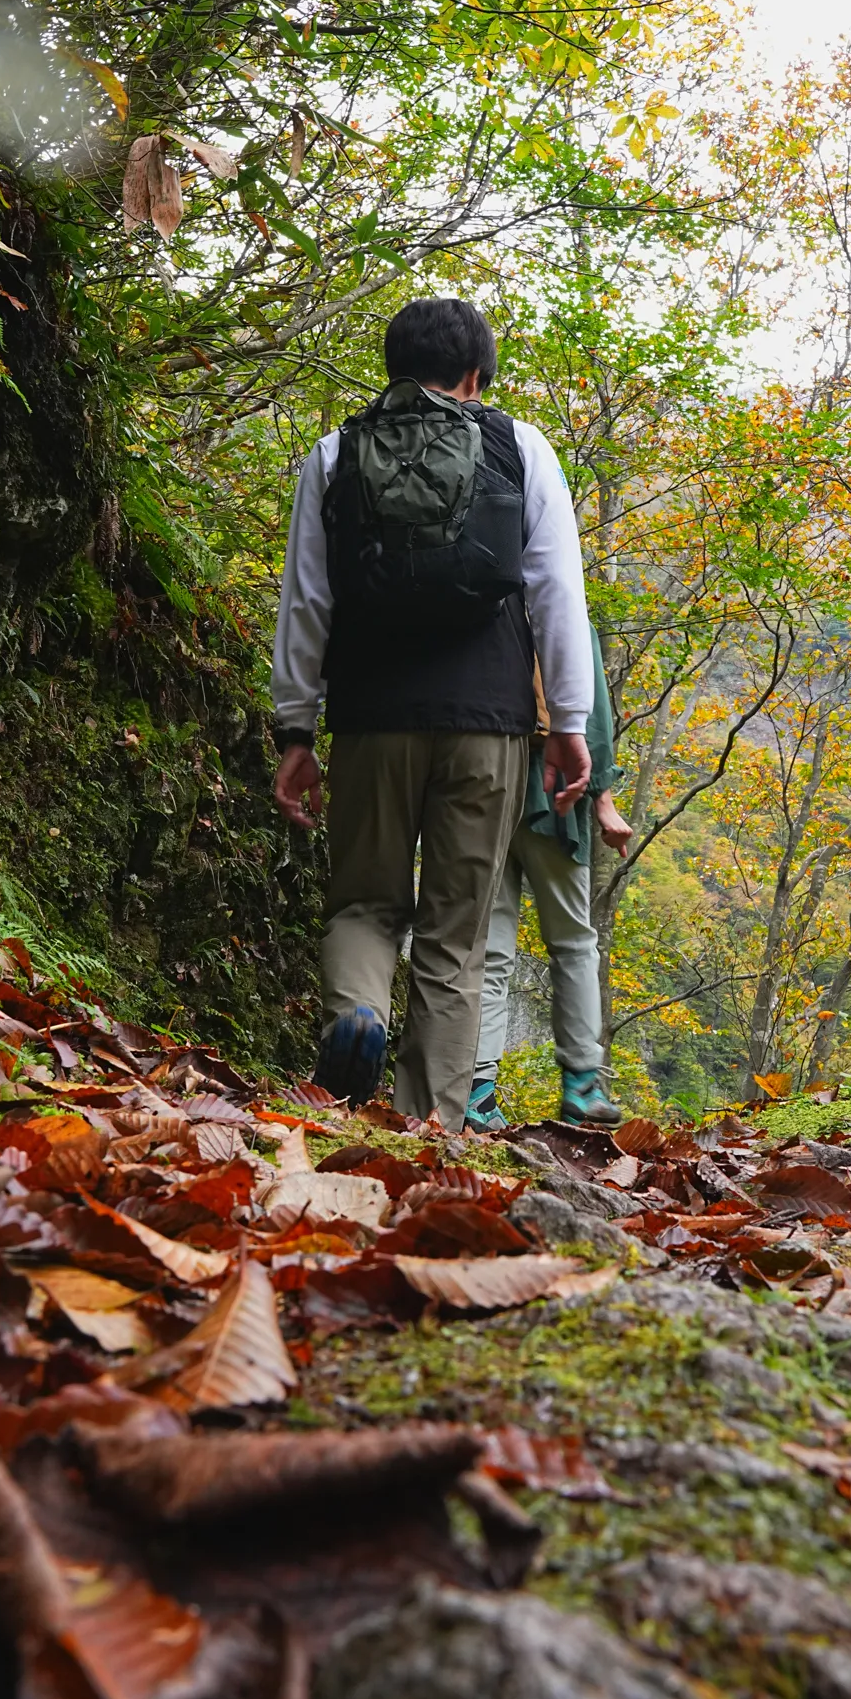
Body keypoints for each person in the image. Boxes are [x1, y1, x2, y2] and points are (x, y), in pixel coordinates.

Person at [271, 298, 594, 1133]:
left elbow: (307, 601)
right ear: (477, 377)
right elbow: (558, 592)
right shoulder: (519, 447)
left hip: (372, 718)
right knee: (457, 933)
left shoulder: (337, 452)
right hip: (488, 725)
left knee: (363, 905)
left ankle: (358, 1013)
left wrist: (296, 730)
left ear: (392, 367)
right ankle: (427, 1131)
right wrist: (568, 724)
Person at [466, 622, 633, 1134]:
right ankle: (582, 1087)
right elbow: (593, 712)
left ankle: (475, 1090)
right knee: (573, 943)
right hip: (553, 791)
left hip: (478, 789)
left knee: (489, 950)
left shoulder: (479, 600)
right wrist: (602, 800)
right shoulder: (561, 610)